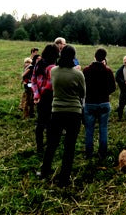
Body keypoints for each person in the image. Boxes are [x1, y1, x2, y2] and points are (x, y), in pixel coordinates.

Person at [38, 45, 86, 187]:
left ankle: (44, 171)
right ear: (73, 57)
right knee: (69, 147)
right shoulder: (78, 74)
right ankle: (64, 178)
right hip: (74, 113)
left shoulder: (54, 71)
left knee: (52, 144)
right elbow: (83, 93)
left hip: (57, 111)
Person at [82, 48, 116, 161]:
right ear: (104, 58)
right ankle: (102, 154)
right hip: (104, 103)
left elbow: (82, 87)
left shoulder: (86, 70)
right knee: (103, 128)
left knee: (89, 130)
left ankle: (88, 154)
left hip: (90, 103)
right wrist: (105, 93)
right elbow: (113, 88)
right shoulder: (108, 71)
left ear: (94, 56)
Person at [31, 44, 59, 154]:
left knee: (40, 123)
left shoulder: (38, 64)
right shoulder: (52, 67)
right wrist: (43, 94)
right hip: (49, 97)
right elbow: (51, 84)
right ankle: (49, 146)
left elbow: (33, 81)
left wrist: (37, 95)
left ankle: (39, 147)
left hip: (40, 98)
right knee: (49, 123)